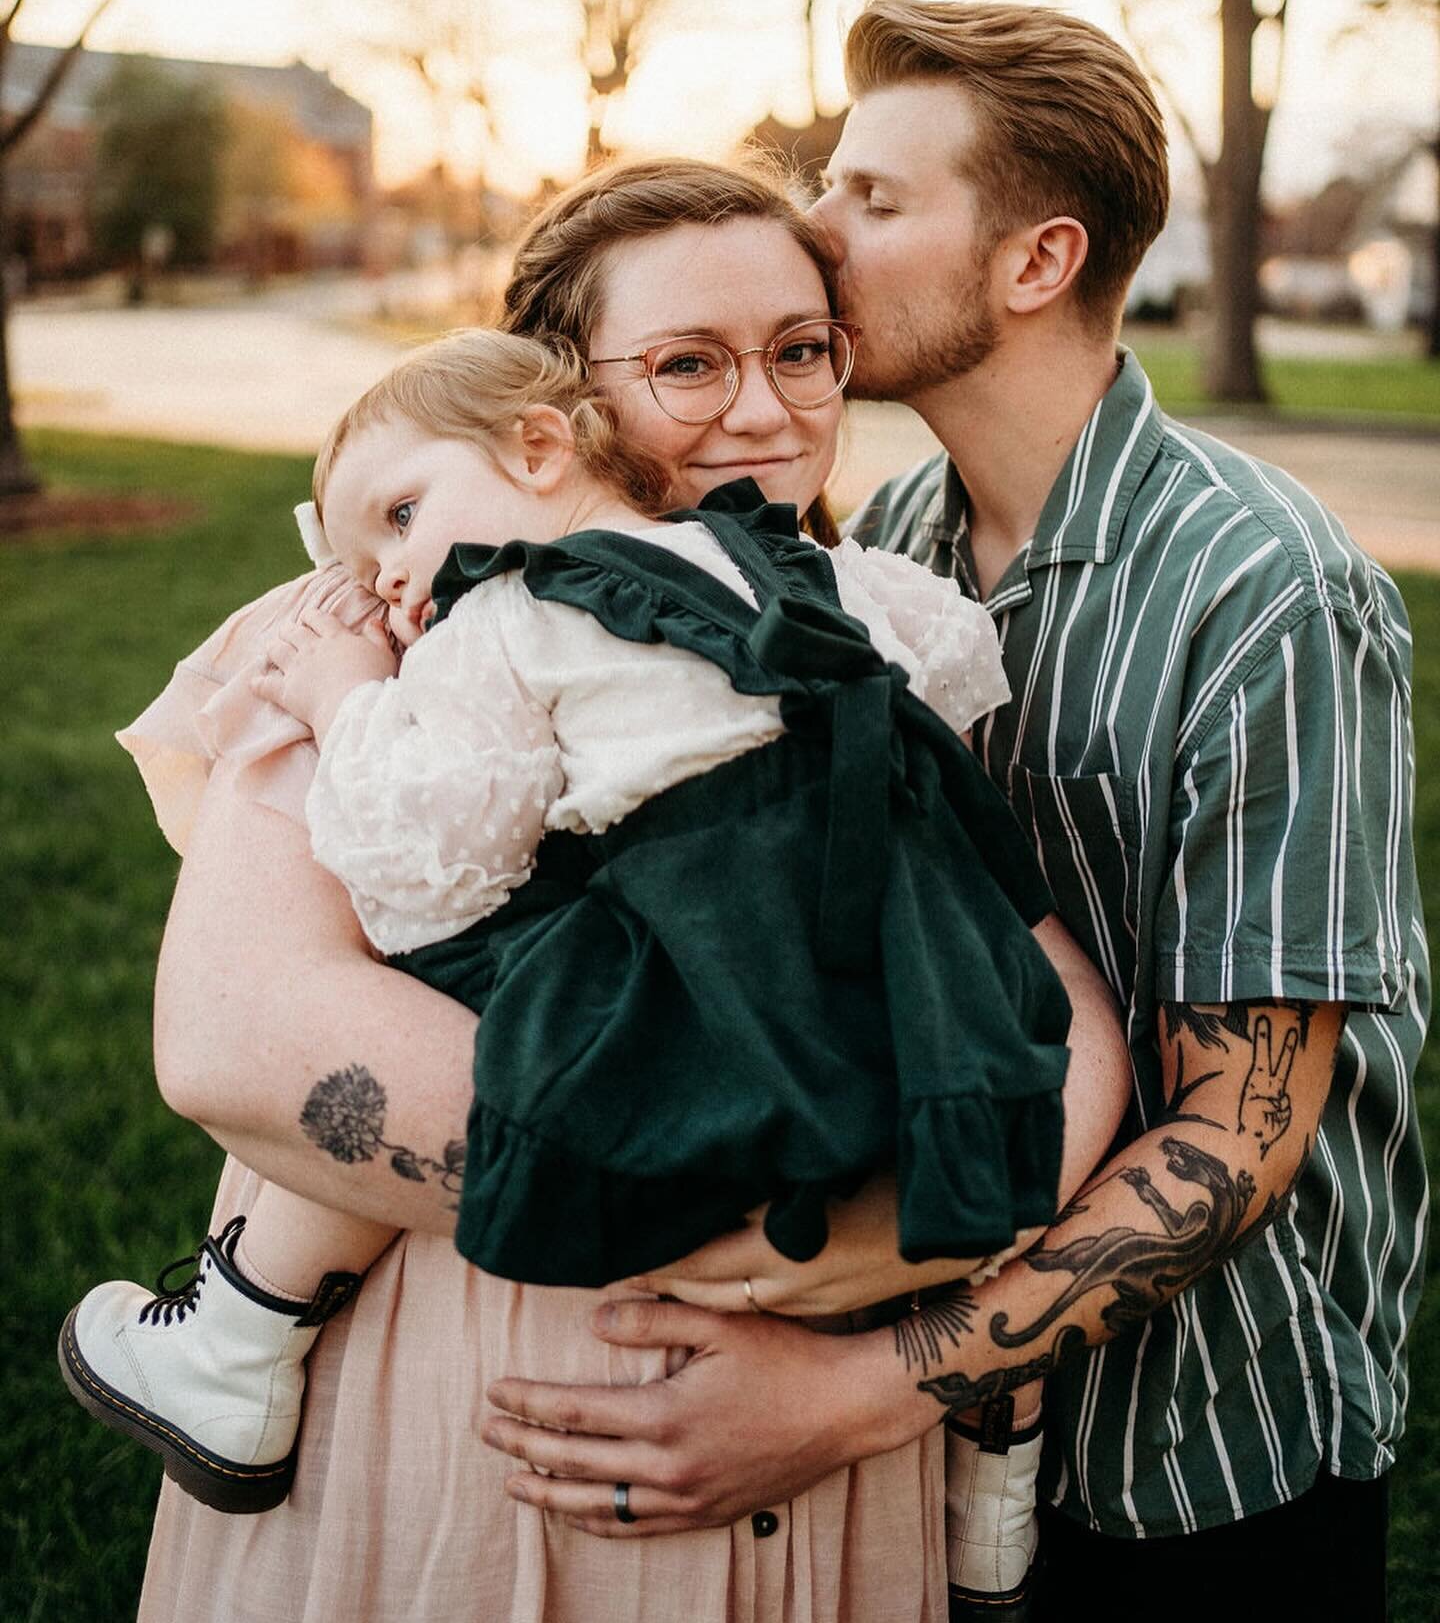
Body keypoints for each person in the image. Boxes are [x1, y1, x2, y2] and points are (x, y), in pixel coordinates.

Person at [468, 4, 1429, 1623]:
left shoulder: (1271, 591)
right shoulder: (886, 534)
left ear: (1036, 261)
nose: (816, 234)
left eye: (872, 200)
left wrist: (839, 1401)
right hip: (934, 1441)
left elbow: (1245, 1128)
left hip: (1200, 1443)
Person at [117, 159, 1128, 1623]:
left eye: (801, 350)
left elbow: (1041, 988)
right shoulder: (376, 625)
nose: (768, 408)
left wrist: (878, 1308)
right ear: (556, 405)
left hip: (814, 1414)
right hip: (498, 1389)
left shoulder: (825, 622)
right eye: (689, 364)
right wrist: (806, 1197)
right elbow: (233, 1035)